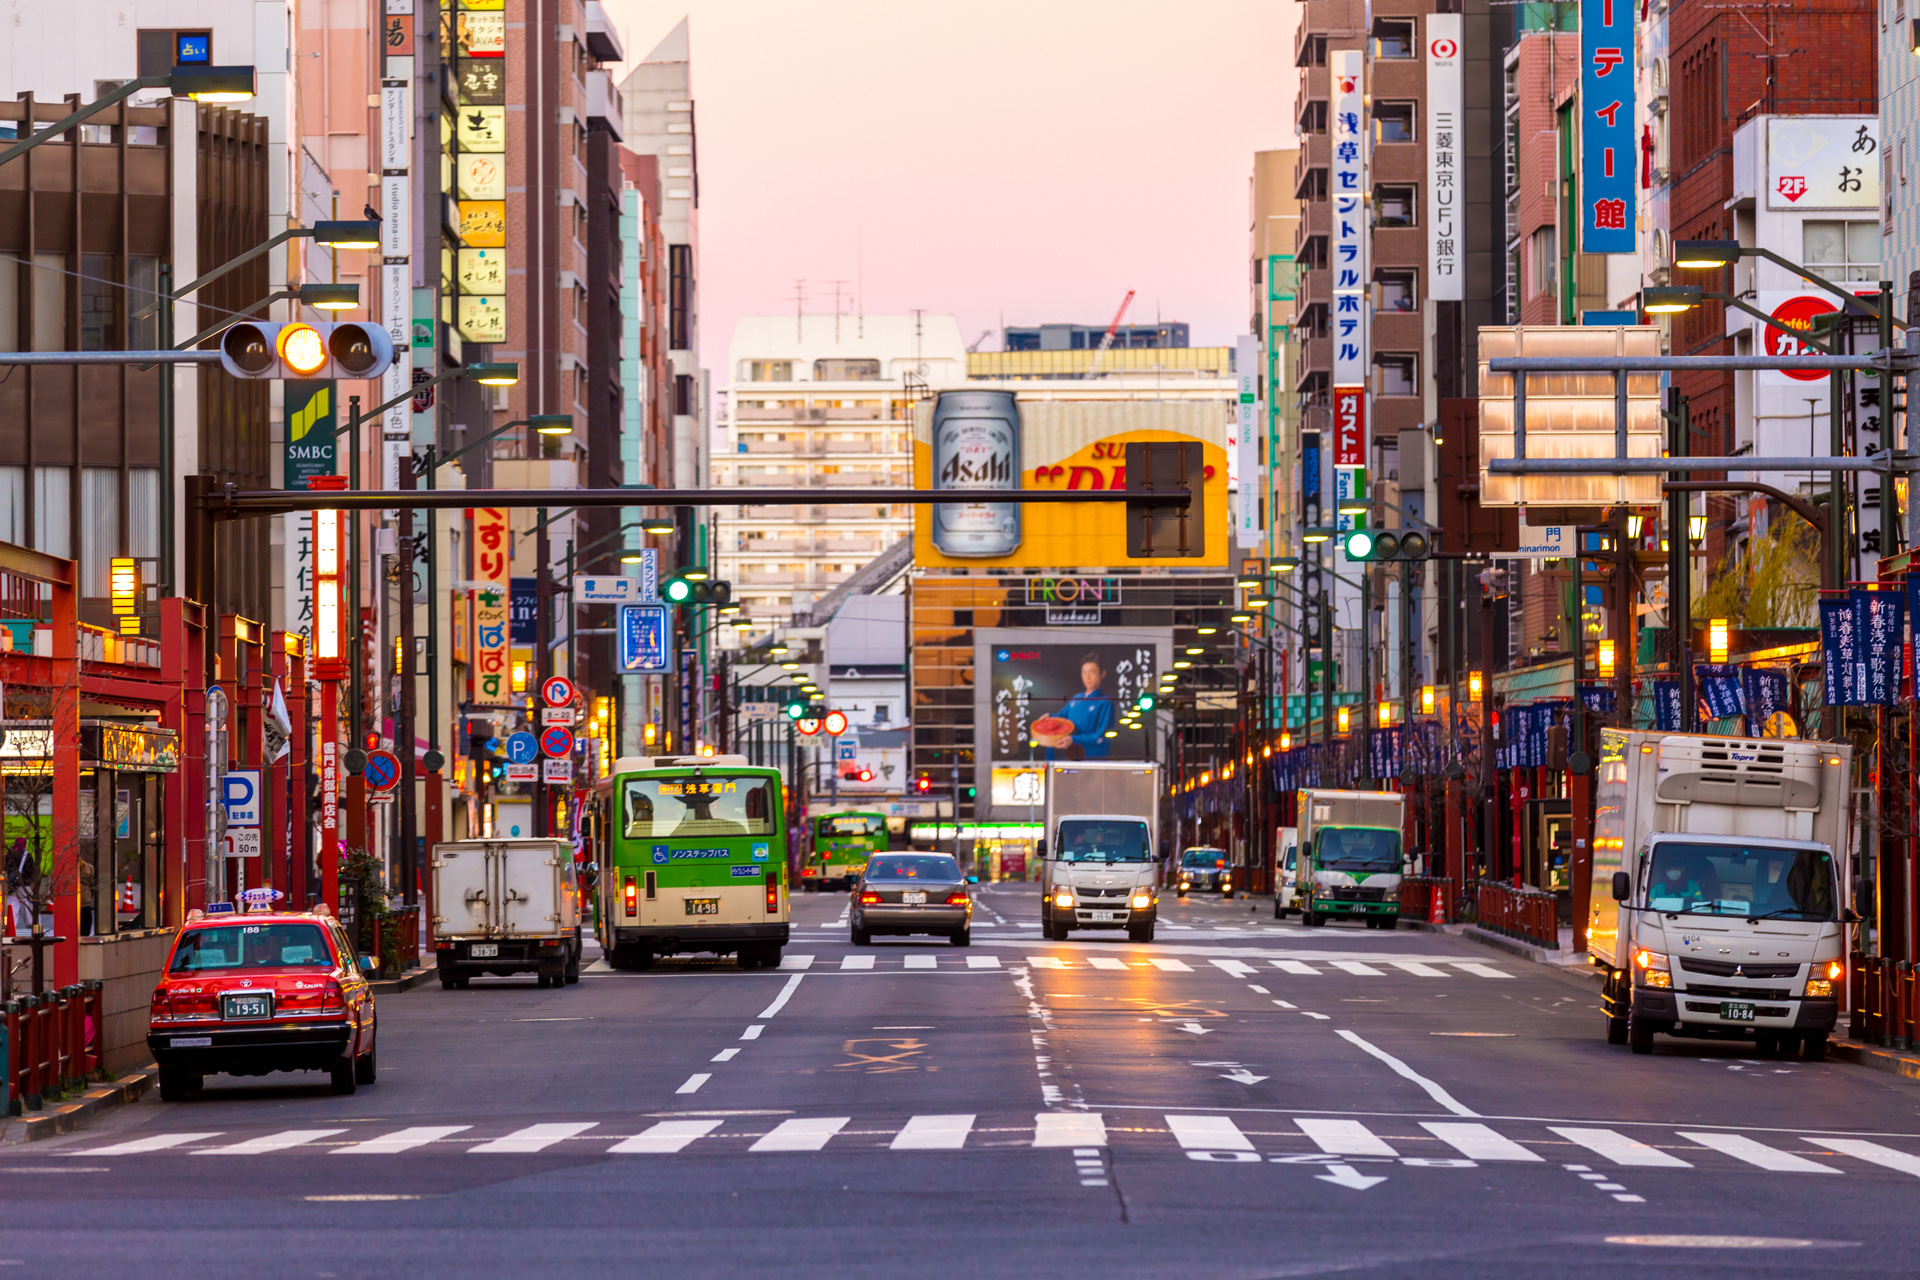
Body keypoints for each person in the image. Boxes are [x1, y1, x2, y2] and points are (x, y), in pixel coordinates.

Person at [1036, 655, 1115, 760]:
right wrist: (1049, 717)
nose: (1087, 677)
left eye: (1092, 672)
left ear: (1102, 674)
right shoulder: (1077, 698)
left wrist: (1073, 740)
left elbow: (1101, 736)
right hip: (1067, 757)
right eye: (1084, 672)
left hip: (1089, 760)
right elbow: (1061, 716)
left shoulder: (1105, 702)